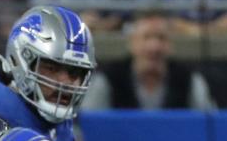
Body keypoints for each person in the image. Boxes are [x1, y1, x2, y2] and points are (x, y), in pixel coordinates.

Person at [0, 5, 94, 141]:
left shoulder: (59, 120)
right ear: (20, 61)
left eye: (74, 73)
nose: (65, 82)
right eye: (51, 68)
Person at [81, 11, 214, 111]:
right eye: (146, 38)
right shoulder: (107, 80)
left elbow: (209, 126)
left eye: (161, 38)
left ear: (170, 45)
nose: (154, 47)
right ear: (132, 43)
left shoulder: (190, 80)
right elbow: (89, 125)